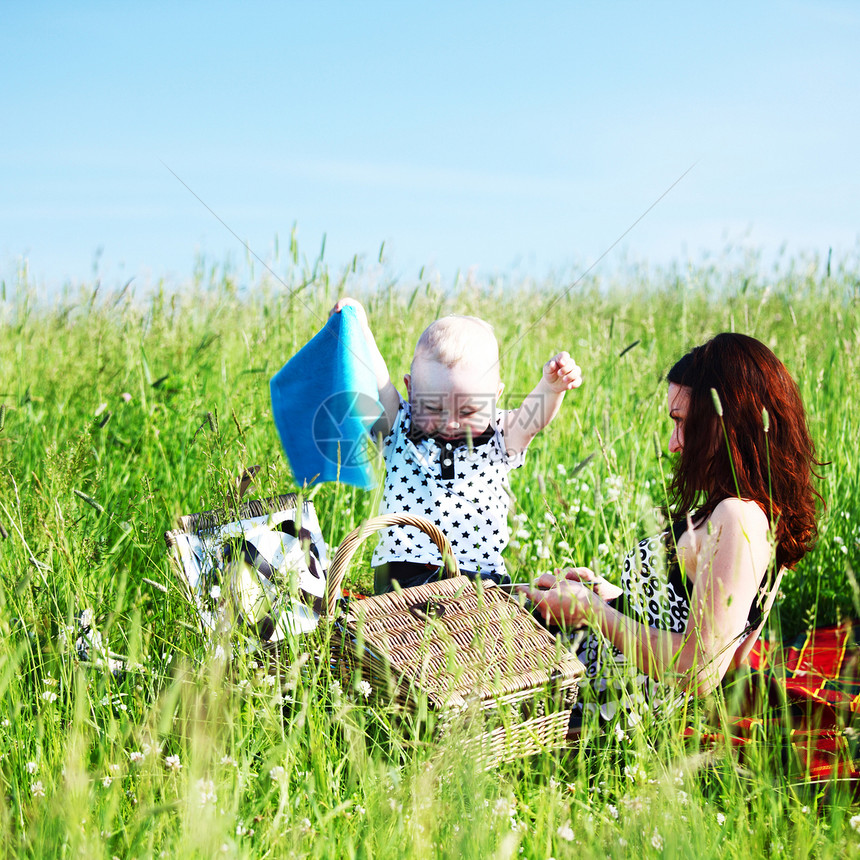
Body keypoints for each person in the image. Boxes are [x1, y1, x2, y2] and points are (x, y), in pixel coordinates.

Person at [519, 332, 822, 728]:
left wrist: (590, 612)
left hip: (603, 703)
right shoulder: (746, 509)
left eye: (682, 423)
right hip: (599, 672)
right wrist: (612, 597)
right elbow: (699, 621)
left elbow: (703, 669)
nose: (673, 443)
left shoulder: (739, 517)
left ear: (725, 422)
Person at [330, 297, 583, 591]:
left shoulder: (500, 433)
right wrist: (358, 324)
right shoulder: (401, 423)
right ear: (411, 391)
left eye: (468, 411)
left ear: (495, 396)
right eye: (434, 409)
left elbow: (533, 419)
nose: (450, 423)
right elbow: (378, 381)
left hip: (482, 576)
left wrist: (551, 388)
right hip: (405, 573)